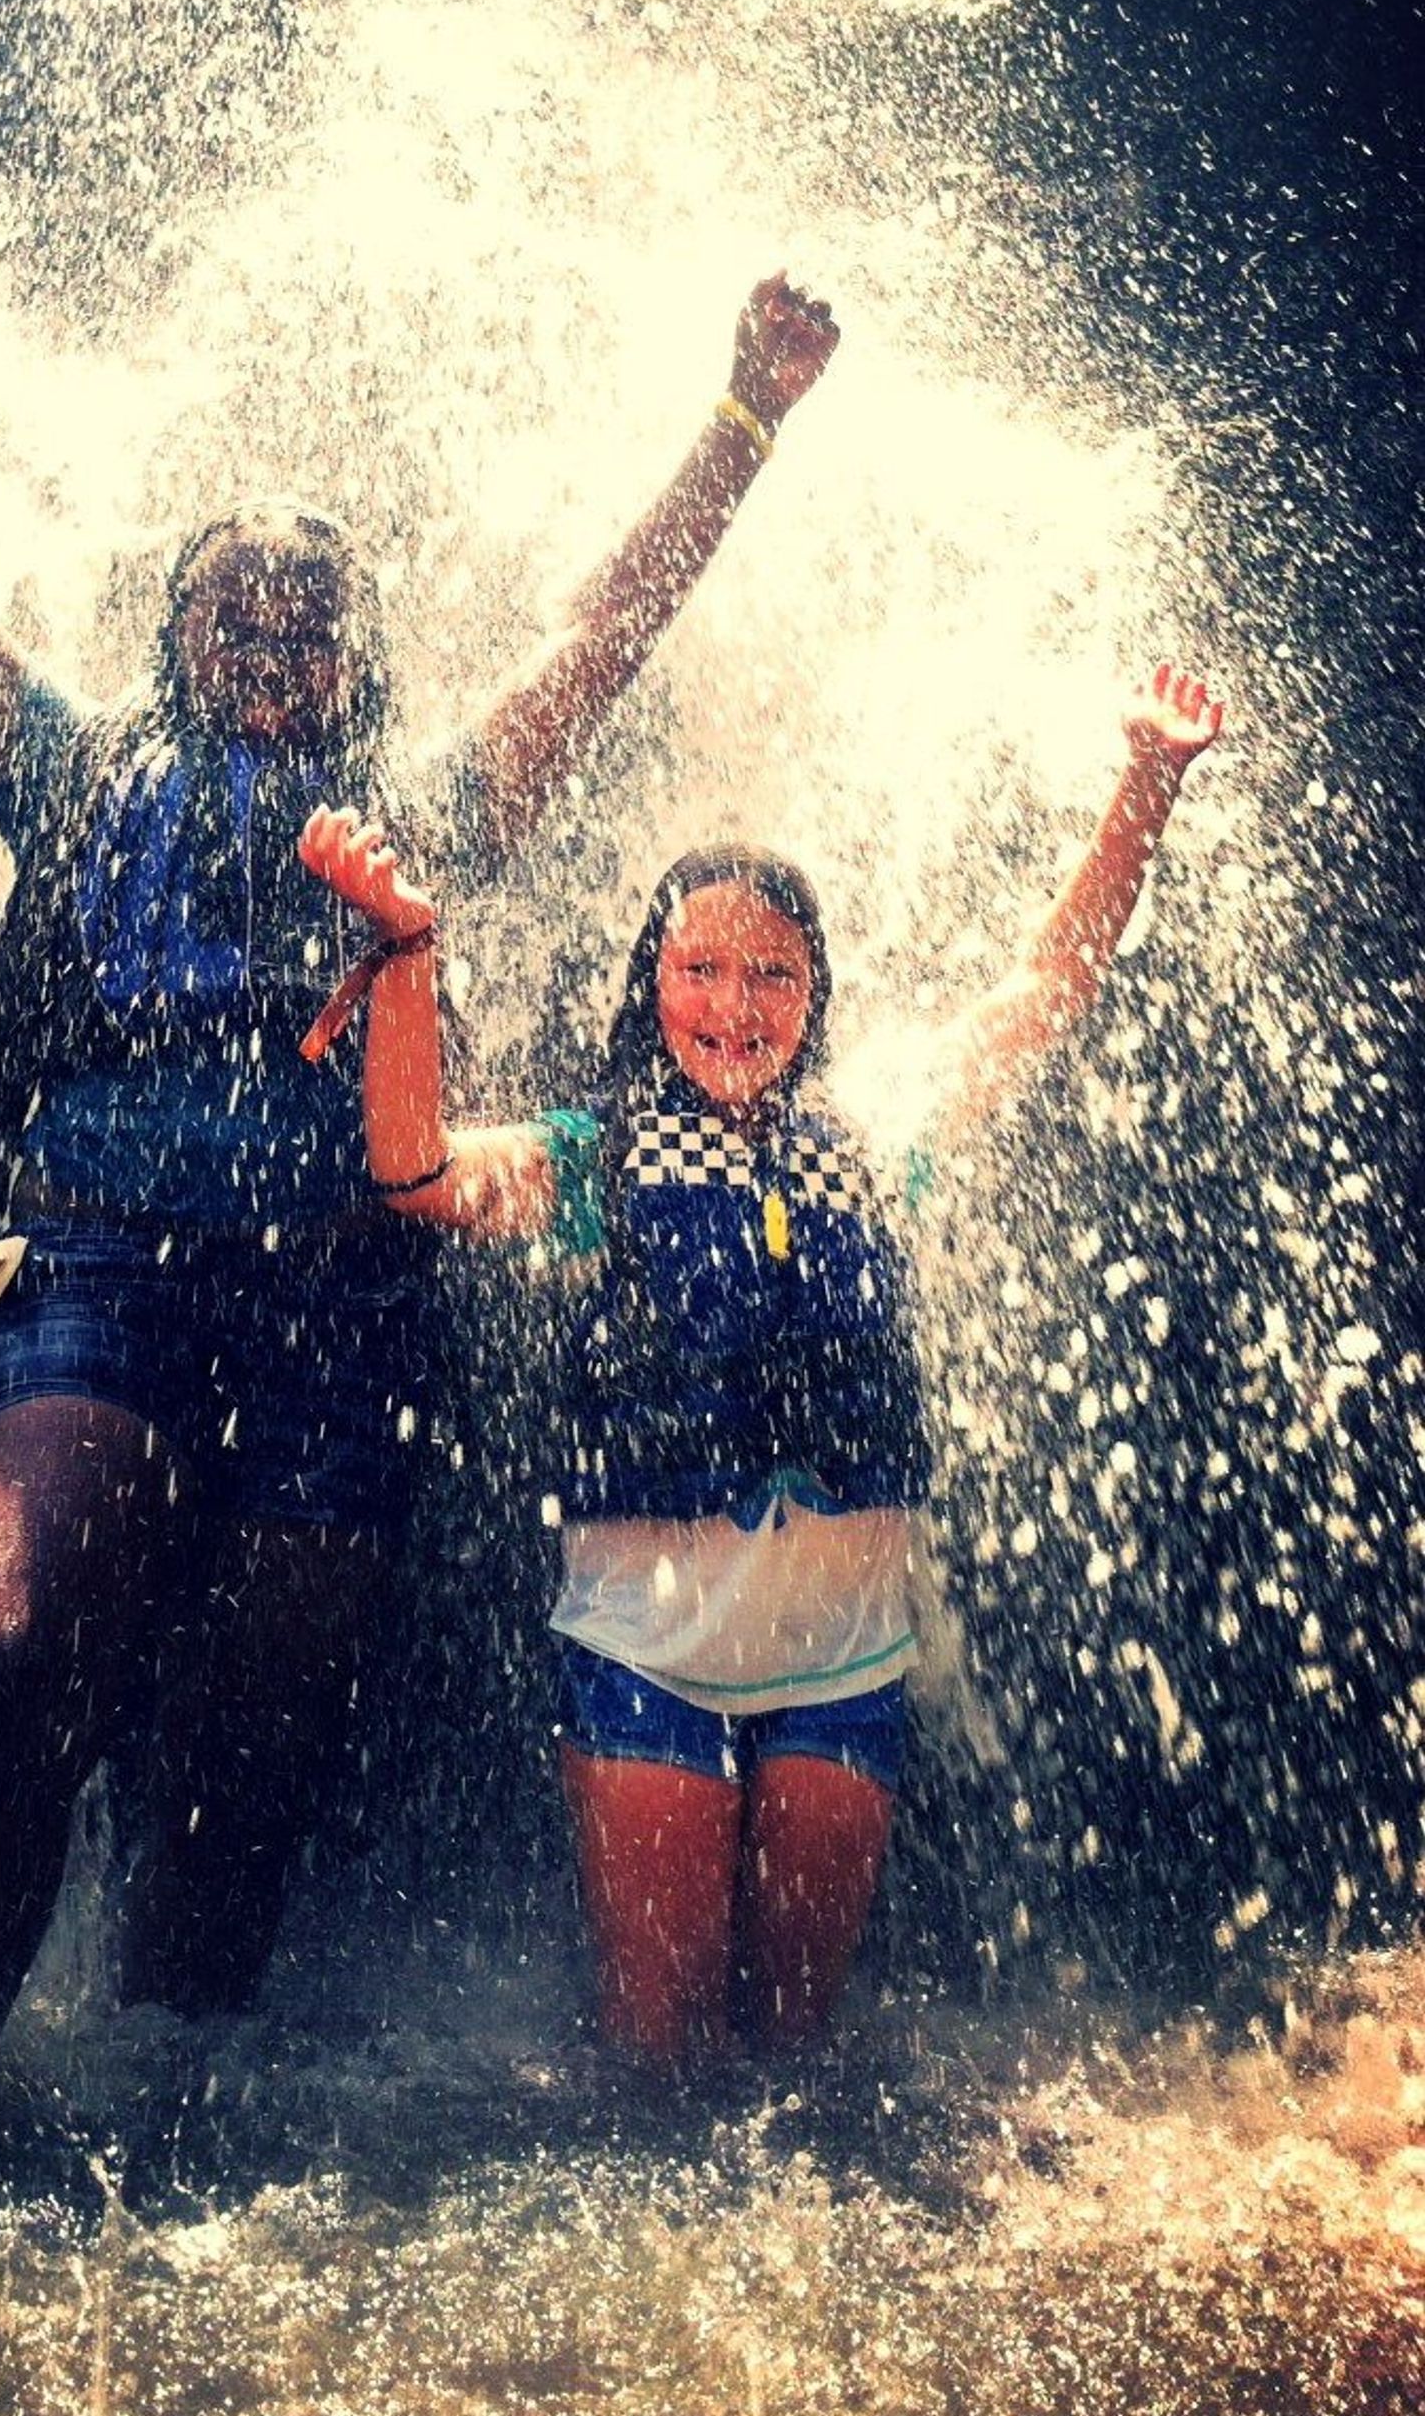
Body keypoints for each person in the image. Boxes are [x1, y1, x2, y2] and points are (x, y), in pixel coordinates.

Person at [0, 270, 841, 2147]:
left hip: (345, 1305)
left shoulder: (420, 809)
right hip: (93, 1266)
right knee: (0, 1641)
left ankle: (155, 2095)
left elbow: (607, 635)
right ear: (174, 632)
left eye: (308, 628)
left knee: (260, 1732)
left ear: (354, 663)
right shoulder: (76, 767)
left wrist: (747, 409)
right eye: (232, 616)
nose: (271, 648)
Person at [298, 659, 1225, 2063]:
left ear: (814, 992)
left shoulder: (875, 1128)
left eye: (774, 972)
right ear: (651, 984)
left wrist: (1146, 786)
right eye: (702, 969)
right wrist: (406, 957)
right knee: (660, 2064)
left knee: (796, 2061)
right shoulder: (593, 1157)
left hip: (842, 1652)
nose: (737, 1002)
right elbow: (415, 1171)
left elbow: (1051, 984)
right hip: (649, 1649)